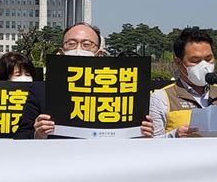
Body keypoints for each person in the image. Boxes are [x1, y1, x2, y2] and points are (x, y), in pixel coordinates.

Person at [14, 22, 154, 139]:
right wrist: (37, 134)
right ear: (62, 51)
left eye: (86, 44)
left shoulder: (121, 91)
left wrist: (143, 136)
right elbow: (21, 137)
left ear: (99, 54)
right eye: (71, 43)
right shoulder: (40, 91)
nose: (78, 49)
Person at [151, 27, 217, 138]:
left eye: (209, 59)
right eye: (195, 60)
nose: (204, 65)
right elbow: (152, 145)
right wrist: (174, 136)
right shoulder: (161, 98)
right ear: (178, 63)